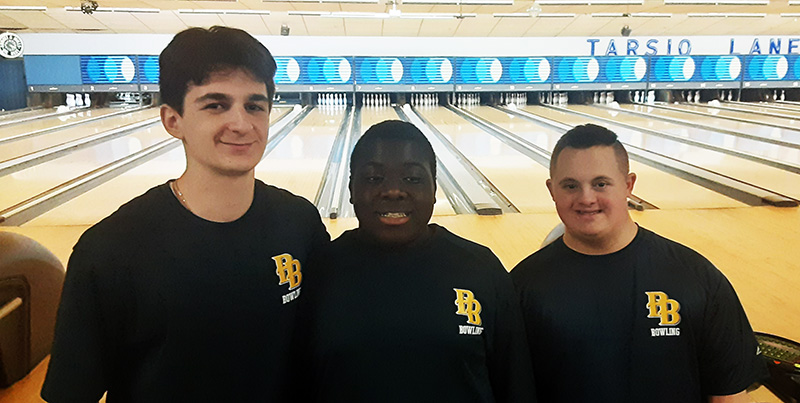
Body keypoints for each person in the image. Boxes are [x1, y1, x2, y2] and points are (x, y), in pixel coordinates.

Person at [41, 26, 329, 402]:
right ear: (172, 120)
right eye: (215, 105)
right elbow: (71, 394)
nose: (241, 124)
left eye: (254, 105)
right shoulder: (110, 250)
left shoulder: (300, 224)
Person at [511, 123, 766, 403]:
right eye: (570, 185)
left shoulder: (696, 278)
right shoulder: (521, 286)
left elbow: (727, 395)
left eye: (601, 183)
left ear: (629, 185)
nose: (586, 198)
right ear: (552, 190)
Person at [298, 120, 536, 402]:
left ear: (434, 189)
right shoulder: (317, 272)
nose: (393, 191)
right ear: (350, 188)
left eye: (412, 178)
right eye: (374, 178)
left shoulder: (481, 269)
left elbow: (516, 387)